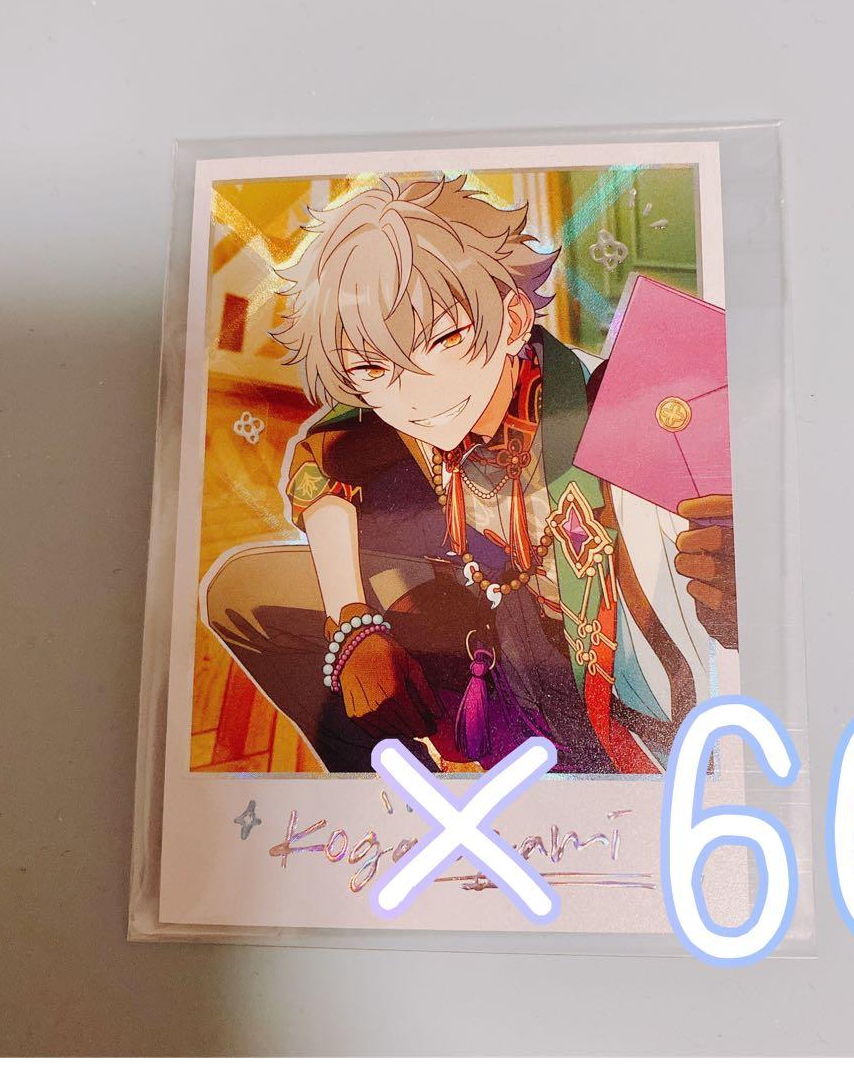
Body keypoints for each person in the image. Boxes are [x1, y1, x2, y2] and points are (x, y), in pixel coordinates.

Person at [204, 175, 737, 774]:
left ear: (511, 320)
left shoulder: (608, 413)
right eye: (371, 368)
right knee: (240, 590)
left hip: (599, 699)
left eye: (444, 339)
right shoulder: (401, 410)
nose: (413, 393)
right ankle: (397, 788)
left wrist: (734, 597)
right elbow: (317, 469)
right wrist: (353, 625)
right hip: (483, 632)